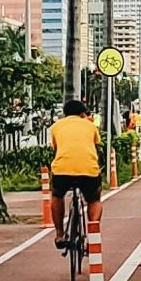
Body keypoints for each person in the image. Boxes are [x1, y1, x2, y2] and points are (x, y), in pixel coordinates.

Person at [47, 96, 102, 249]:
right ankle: (93, 235)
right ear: (83, 114)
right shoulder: (90, 126)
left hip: (62, 170)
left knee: (57, 195)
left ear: (64, 114)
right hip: (88, 170)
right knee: (94, 199)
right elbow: (95, 145)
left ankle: (59, 234)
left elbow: (56, 148)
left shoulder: (56, 127)